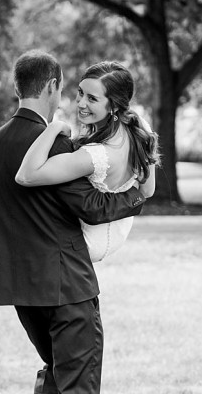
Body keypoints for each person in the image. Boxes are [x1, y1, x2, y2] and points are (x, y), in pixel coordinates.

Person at [0, 50, 148, 394]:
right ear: (52, 85)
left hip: (21, 290)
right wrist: (138, 196)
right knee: (80, 393)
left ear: (19, 86)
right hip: (68, 287)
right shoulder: (55, 144)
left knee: (57, 371)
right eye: (70, 89)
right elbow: (93, 207)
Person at [15, 61, 159, 258]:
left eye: (92, 99)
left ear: (114, 106)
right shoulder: (139, 126)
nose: (81, 103)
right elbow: (147, 190)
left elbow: (25, 176)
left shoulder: (96, 155)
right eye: (81, 92)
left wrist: (53, 128)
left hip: (86, 242)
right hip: (117, 233)